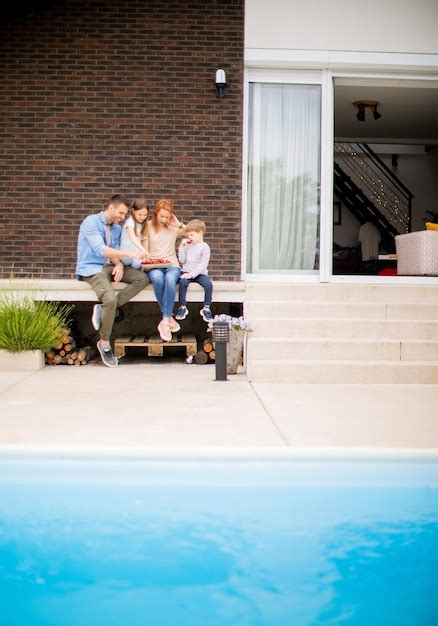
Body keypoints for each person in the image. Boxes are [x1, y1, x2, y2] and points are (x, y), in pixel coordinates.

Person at [76, 194, 149, 368]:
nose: (123, 218)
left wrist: (120, 265)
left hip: (111, 266)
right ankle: (105, 343)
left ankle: (104, 310)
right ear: (111, 207)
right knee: (109, 298)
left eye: (125, 215)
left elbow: (114, 252)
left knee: (142, 278)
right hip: (92, 268)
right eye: (121, 213)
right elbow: (101, 249)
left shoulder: (116, 228)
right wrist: (129, 254)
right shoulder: (90, 222)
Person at [145, 198, 185, 342]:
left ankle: (165, 319)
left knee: (170, 279)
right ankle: (169, 319)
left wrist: (178, 223)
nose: (164, 219)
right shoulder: (148, 226)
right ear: (155, 214)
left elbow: (192, 233)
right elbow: (143, 247)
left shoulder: (173, 227)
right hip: (154, 264)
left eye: (167, 217)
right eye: (161, 216)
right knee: (157, 278)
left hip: (171, 264)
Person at [175, 219, 213, 322]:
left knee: (208, 285)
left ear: (200, 233)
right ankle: (182, 307)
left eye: (192, 235)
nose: (189, 237)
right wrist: (181, 247)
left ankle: (206, 308)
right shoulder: (188, 245)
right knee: (182, 283)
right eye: (188, 235)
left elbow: (203, 264)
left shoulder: (205, 247)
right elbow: (182, 260)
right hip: (186, 272)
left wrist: (192, 274)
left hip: (199, 273)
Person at [120, 197, 150, 269]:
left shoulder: (143, 224)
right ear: (133, 211)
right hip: (126, 256)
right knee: (137, 264)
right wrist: (144, 250)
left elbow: (144, 239)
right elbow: (133, 238)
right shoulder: (130, 222)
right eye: (140, 215)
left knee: (142, 264)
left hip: (135, 255)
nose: (142, 217)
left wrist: (145, 255)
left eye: (145, 215)